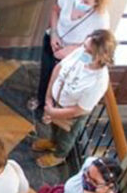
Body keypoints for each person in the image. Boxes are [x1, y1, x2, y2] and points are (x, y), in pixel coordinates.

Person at [33, 30, 116, 173]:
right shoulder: (81, 53)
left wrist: (54, 112)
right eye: (84, 45)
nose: (83, 51)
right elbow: (58, 69)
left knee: (66, 136)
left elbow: (80, 109)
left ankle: (59, 155)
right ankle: (53, 142)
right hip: (56, 101)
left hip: (71, 114)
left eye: (89, 51)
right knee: (54, 127)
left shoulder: (99, 81)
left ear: (100, 56)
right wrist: (48, 98)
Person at [33, 0, 111, 115]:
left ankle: (52, 110)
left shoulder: (101, 19)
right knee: (46, 73)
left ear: (97, 2)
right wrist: (54, 35)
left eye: (86, 1)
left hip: (74, 50)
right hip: (54, 40)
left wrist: (70, 51)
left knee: (62, 78)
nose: (80, 0)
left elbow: (93, 43)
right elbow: (55, 10)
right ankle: (41, 101)